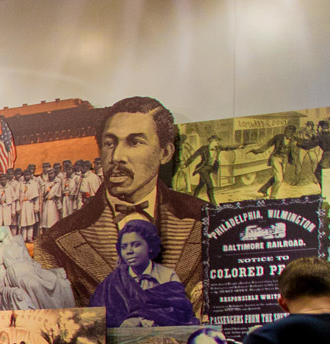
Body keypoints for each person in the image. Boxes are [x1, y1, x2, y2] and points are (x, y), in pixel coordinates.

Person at [37, 96, 208, 310]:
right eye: (110, 143)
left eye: (134, 142)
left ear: (165, 153)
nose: (116, 156)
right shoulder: (57, 241)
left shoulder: (205, 221)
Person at [91, 217, 196, 327]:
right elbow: (97, 315)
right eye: (124, 247)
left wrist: (141, 320)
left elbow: (179, 311)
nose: (129, 251)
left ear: (150, 247)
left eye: (136, 245)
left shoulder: (167, 276)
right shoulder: (114, 281)